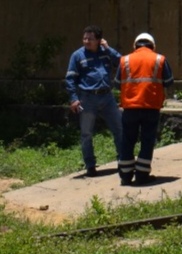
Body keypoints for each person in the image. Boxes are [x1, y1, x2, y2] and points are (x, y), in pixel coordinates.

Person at [114, 33, 174, 186]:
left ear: (135, 46)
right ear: (153, 46)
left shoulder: (125, 60)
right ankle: (142, 175)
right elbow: (168, 81)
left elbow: (117, 83)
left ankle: (125, 176)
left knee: (127, 140)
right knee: (147, 141)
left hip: (130, 108)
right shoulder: (160, 59)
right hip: (151, 107)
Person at [64, 25, 124, 177]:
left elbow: (122, 63)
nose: (86, 41)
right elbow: (70, 78)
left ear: (99, 40)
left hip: (107, 97)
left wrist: (108, 49)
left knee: (119, 128)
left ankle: (123, 161)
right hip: (87, 98)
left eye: (90, 39)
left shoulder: (105, 52)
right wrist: (74, 99)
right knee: (86, 133)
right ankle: (90, 166)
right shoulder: (77, 55)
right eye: (84, 38)